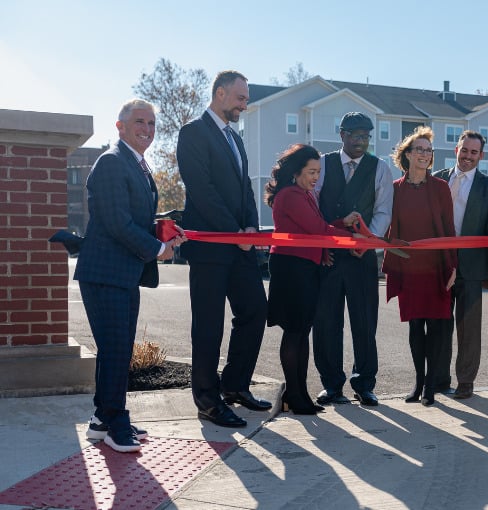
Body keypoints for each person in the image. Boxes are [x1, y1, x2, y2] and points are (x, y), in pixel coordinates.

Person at [74, 99, 186, 452]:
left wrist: (164, 232)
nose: (147, 129)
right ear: (120, 126)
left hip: (123, 274)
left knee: (117, 351)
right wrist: (158, 250)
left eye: (152, 123)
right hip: (105, 273)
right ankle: (114, 420)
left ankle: (102, 420)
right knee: (115, 348)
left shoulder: (138, 165)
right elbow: (116, 222)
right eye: (140, 122)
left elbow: (134, 220)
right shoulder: (111, 162)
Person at [177, 70, 271, 428]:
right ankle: (207, 400)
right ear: (219, 94)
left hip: (240, 247)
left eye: (245, 99)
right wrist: (235, 232)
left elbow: (245, 189)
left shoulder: (236, 139)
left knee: (255, 311)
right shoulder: (192, 134)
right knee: (209, 325)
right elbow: (202, 191)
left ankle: (234, 386)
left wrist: (250, 227)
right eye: (240, 98)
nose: (244, 105)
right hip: (211, 250)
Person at [264, 144, 364, 415]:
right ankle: (295, 395)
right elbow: (318, 229)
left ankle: (297, 393)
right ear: (296, 172)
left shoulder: (304, 194)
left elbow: (314, 230)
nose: (316, 177)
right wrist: (353, 238)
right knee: (295, 332)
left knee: (301, 332)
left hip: (305, 267)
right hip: (292, 270)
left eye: (318, 172)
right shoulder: (291, 195)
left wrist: (338, 229)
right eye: (311, 172)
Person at [312, 112, 394, 407]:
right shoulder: (322, 164)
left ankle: (364, 383)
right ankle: (332, 385)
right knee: (326, 322)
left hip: (362, 256)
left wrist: (370, 239)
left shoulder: (380, 168)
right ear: (342, 135)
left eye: (366, 136)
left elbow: (384, 210)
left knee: (364, 322)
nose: (361, 141)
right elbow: (314, 205)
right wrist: (325, 242)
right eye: (355, 135)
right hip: (329, 256)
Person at [432, 131, 488, 399]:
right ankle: (439, 379)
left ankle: (465, 381)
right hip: (438, 265)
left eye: (473, 152)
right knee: (440, 326)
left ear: (481, 156)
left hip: (471, 267)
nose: (467, 156)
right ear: (456, 149)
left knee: (469, 328)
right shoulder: (438, 179)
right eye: (464, 150)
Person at [383, 126, 457, 406]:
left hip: (437, 267)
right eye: (420, 149)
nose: (425, 154)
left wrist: (452, 267)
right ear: (408, 155)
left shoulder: (440, 187)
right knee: (415, 328)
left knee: (437, 328)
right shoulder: (395, 190)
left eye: (428, 150)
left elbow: (449, 229)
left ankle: (430, 387)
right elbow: (390, 229)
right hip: (410, 269)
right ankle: (418, 382)